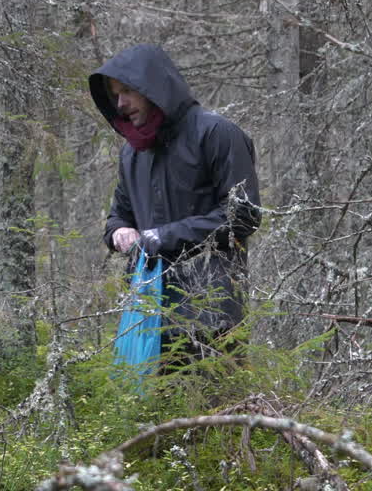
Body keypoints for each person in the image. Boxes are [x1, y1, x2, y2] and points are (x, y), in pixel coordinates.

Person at [89, 43, 261, 364]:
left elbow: (244, 215)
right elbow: (119, 214)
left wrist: (162, 237)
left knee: (219, 410)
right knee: (150, 412)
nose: (121, 103)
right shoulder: (133, 152)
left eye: (128, 90)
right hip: (147, 317)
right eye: (115, 94)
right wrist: (119, 231)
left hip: (212, 315)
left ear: (153, 87)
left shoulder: (216, 134)